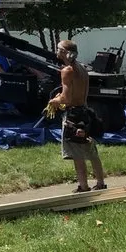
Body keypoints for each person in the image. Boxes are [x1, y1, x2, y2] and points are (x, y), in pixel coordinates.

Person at [48, 39, 107, 192]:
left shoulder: (67, 70)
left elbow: (66, 99)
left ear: (62, 52)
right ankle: (101, 184)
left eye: (58, 48)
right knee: (92, 151)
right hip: (86, 112)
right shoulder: (81, 68)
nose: (56, 50)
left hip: (73, 115)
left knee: (77, 154)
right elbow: (78, 92)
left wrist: (55, 100)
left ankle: (83, 186)